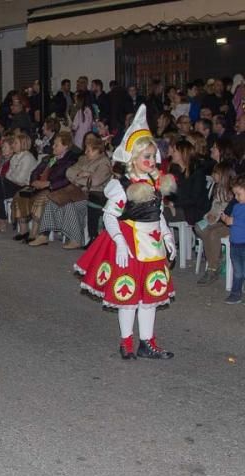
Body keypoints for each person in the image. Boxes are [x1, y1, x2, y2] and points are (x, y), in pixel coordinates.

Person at [74, 105, 178, 360]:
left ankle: (147, 342)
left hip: (152, 245)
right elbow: (109, 216)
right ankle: (127, 342)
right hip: (131, 244)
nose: (151, 161)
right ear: (133, 157)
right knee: (129, 295)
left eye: (153, 156)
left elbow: (158, 214)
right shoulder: (122, 187)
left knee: (150, 297)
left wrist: (167, 236)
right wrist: (120, 243)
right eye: (146, 156)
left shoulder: (155, 182)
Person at [31, 133, 111, 249]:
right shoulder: (83, 159)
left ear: (97, 151)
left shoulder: (104, 163)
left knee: (69, 205)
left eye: (88, 150)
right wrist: (83, 176)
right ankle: (44, 234)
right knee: (52, 200)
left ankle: (75, 239)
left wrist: (81, 177)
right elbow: (69, 172)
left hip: (90, 194)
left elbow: (95, 182)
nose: (85, 152)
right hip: (75, 190)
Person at [197, 162, 235, 284]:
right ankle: (215, 256)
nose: (213, 175)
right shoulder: (217, 188)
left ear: (223, 175)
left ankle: (212, 268)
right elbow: (213, 207)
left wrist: (217, 217)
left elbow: (229, 211)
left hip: (228, 223)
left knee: (213, 234)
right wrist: (208, 216)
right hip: (216, 220)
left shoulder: (232, 192)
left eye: (216, 173)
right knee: (199, 227)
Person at [220, 175, 245, 303]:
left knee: (242, 270)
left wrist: (234, 221)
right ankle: (236, 293)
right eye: (235, 194)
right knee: (237, 271)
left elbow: (236, 221)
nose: (236, 197)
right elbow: (230, 220)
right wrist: (225, 218)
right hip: (235, 244)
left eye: (238, 194)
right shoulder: (236, 206)